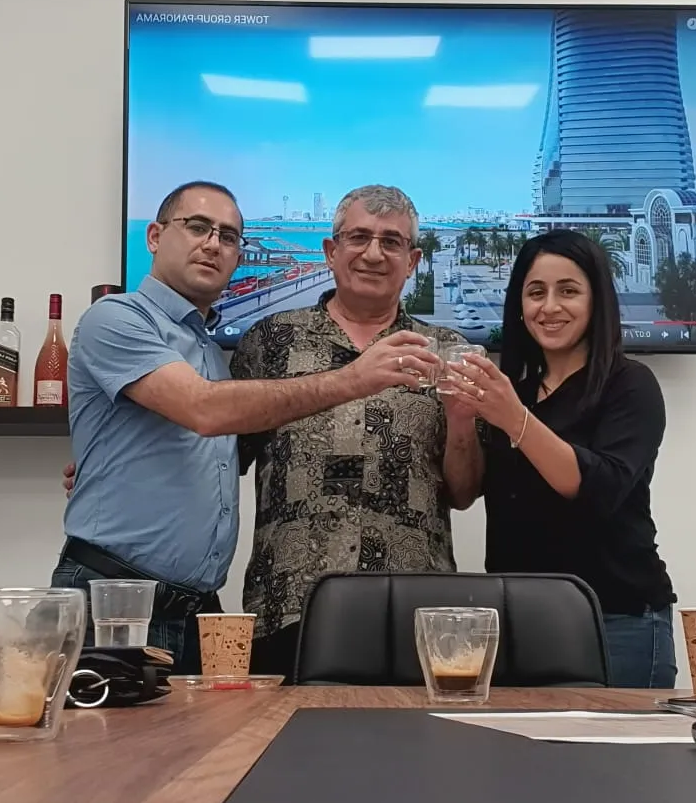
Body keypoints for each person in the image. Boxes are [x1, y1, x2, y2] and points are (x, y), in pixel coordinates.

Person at [53, 180, 436, 670]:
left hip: (195, 608)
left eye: (229, 236)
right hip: (116, 597)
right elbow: (205, 410)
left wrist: (109, 468)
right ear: (154, 236)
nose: (213, 244)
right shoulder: (116, 318)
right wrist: (354, 379)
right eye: (197, 227)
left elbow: (221, 452)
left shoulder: (209, 351)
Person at [230, 185, 481, 675]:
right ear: (331, 251)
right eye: (359, 237)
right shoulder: (270, 341)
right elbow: (218, 460)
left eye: (391, 242)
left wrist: (460, 421)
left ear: (412, 261)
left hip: (416, 608)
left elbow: (465, 491)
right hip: (287, 604)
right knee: (283, 729)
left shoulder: (446, 351)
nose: (373, 253)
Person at [448, 230, 678, 688]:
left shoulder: (631, 385)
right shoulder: (513, 392)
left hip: (616, 619)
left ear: (597, 301)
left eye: (568, 291)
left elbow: (600, 488)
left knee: (619, 740)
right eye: (536, 293)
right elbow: (463, 492)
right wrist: (459, 422)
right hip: (516, 616)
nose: (549, 307)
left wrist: (514, 419)